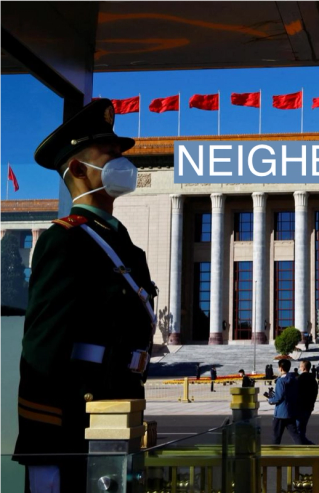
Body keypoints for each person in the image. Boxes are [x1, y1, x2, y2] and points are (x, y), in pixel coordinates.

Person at [13, 99, 156, 493]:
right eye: (110, 155)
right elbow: (42, 352)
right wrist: (42, 456)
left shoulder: (122, 245)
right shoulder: (65, 241)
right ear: (78, 168)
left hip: (118, 414)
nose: (123, 165)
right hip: (77, 423)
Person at [268, 359, 301, 444]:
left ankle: (274, 454)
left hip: (280, 413)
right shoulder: (294, 379)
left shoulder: (280, 381)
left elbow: (278, 397)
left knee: (276, 436)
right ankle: (303, 450)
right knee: (295, 435)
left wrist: (270, 400)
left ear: (281, 368)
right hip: (291, 411)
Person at [296, 361, 319, 444]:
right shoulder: (313, 379)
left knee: (298, 431)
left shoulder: (300, 379)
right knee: (302, 429)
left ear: (304, 368)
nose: (299, 368)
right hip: (309, 407)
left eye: (300, 366)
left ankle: (308, 447)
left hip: (300, 407)